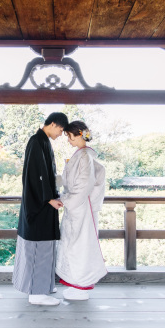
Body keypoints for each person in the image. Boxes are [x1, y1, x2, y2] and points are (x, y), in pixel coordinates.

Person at [13, 112, 69, 306]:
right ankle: (37, 293)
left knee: (45, 246)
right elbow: (36, 177)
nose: (61, 134)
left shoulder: (42, 141)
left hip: (43, 202)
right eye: (61, 130)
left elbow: (46, 176)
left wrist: (51, 196)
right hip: (38, 205)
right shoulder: (37, 141)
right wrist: (48, 199)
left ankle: (42, 286)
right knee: (39, 247)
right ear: (53, 124)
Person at [55, 120, 108, 301]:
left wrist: (65, 200)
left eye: (69, 136)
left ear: (79, 135)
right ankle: (77, 284)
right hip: (78, 206)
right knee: (75, 245)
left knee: (80, 246)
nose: (68, 140)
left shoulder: (84, 156)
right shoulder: (82, 155)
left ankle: (82, 286)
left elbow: (83, 184)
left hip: (81, 207)